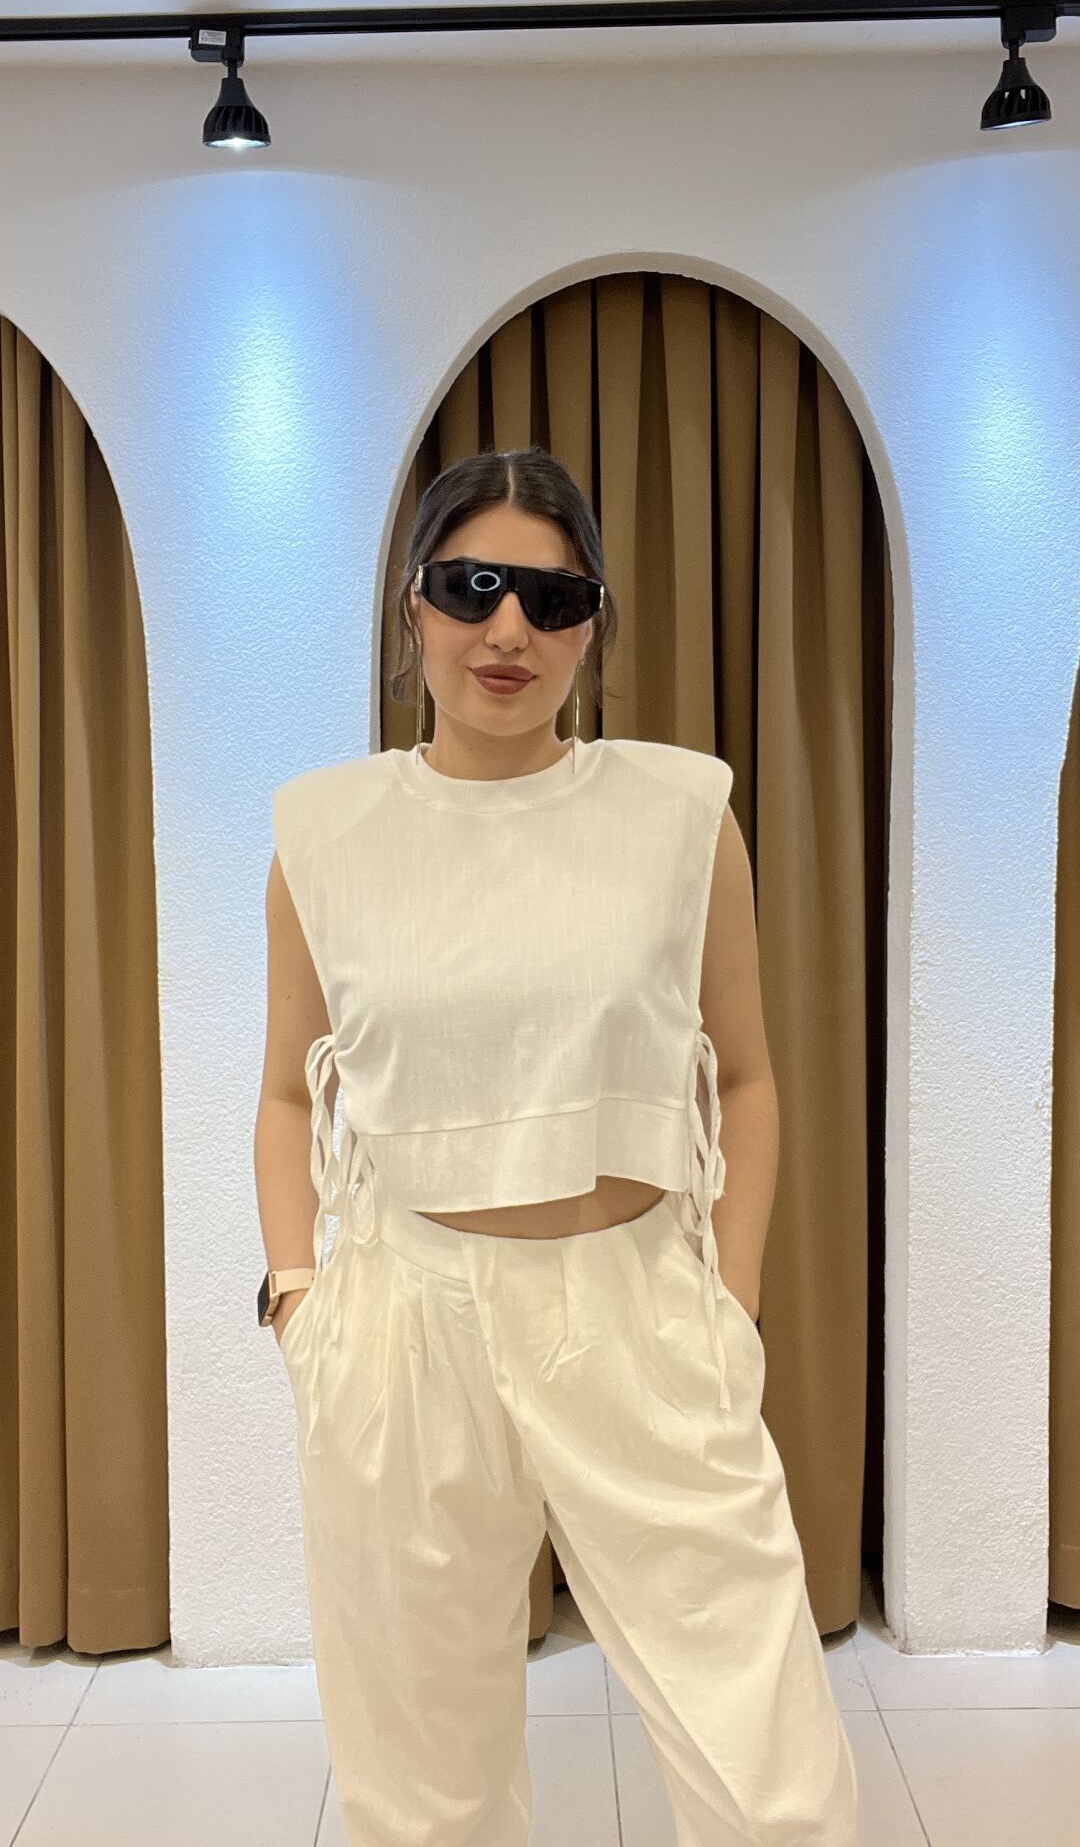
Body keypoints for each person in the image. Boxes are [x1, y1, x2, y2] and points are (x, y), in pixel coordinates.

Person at [254, 445, 859, 1846]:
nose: (509, 629)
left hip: (635, 1307)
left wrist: (731, 1303)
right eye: (472, 587)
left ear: (594, 624)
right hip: (404, 1321)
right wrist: (298, 1300)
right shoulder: (326, 833)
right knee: (422, 1782)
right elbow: (288, 1094)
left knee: (768, 1769)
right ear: (413, 608)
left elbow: (748, 1079)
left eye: (553, 595)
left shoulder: (681, 814)